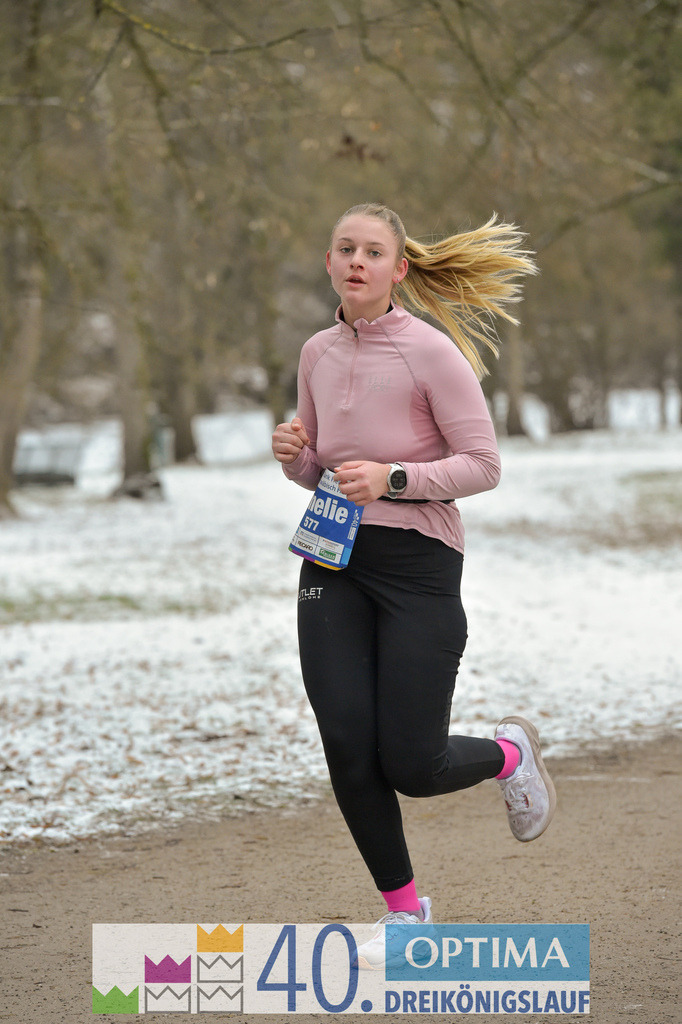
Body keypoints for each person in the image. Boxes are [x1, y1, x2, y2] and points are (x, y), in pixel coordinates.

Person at [271, 202, 556, 968]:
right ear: (329, 263)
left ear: (398, 270)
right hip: (331, 561)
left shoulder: (431, 354)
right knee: (346, 746)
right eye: (344, 248)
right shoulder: (315, 353)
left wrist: (395, 476)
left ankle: (509, 755)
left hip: (419, 569)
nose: (356, 261)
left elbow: (484, 465)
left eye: (372, 251)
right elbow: (321, 469)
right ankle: (405, 914)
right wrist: (295, 454)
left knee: (412, 763)